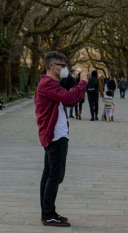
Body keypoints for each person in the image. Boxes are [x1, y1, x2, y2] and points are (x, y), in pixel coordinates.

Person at [35, 51, 87, 227]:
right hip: (55, 136)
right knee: (55, 175)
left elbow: (69, 101)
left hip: (56, 134)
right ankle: (48, 214)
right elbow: (70, 97)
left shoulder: (51, 84)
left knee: (49, 174)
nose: (64, 68)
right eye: (62, 65)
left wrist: (78, 87)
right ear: (52, 66)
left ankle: (48, 211)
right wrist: (83, 82)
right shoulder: (48, 84)